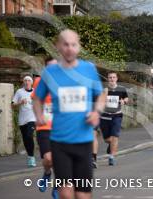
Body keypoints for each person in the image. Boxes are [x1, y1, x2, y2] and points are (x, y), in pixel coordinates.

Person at [33, 29, 104, 199]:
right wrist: (38, 114)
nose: (70, 48)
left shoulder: (88, 69)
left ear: (78, 47)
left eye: (73, 44)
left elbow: (100, 95)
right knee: (65, 194)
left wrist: (97, 112)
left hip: (84, 142)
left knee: (83, 195)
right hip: (59, 142)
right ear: (58, 46)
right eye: (65, 44)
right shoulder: (50, 73)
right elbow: (37, 98)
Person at [31, 57, 58, 197]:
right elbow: (35, 100)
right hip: (44, 126)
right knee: (48, 159)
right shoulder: (38, 82)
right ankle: (47, 173)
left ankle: (57, 186)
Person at [100, 71, 128, 166]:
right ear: (108, 79)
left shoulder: (121, 89)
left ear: (116, 79)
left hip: (117, 115)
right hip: (105, 116)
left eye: (113, 77)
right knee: (107, 139)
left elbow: (126, 98)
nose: (112, 79)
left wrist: (124, 101)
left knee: (115, 136)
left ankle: (111, 157)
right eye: (110, 77)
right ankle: (110, 145)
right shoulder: (104, 90)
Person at [12, 75, 37, 167]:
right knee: (26, 139)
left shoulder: (35, 92)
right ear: (23, 82)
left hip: (32, 118)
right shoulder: (19, 92)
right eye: (25, 80)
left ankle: (32, 158)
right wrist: (20, 102)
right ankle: (30, 156)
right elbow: (13, 104)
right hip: (22, 119)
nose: (27, 82)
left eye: (28, 80)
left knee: (29, 135)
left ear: (31, 82)